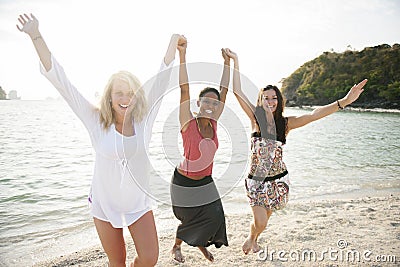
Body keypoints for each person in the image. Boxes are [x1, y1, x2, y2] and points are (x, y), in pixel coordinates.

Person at [17, 13, 185, 267]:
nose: (125, 98)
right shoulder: (96, 120)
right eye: (119, 93)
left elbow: (161, 80)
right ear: (110, 96)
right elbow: (62, 82)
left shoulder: (144, 120)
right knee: (116, 262)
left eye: (130, 93)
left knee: (149, 258)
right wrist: (35, 35)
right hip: (104, 203)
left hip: (137, 203)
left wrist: (173, 43)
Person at [225, 49, 368, 255]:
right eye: (266, 98)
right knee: (261, 220)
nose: (270, 102)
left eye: (274, 98)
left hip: (278, 181)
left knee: (263, 223)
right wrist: (235, 61)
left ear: (279, 100)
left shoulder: (286, 124)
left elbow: (312, 115)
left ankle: (253, 238)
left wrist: (343, 102)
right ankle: (251, 237)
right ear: (260, 100)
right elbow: (237, 91)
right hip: (256, 181)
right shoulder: (255, 120)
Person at [169, 38, 230, 263]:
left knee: (215, 218)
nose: (211, 105)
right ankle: (176, 247)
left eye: (215, 103)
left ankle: (200, 246)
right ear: (198, 103)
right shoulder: (188, 122)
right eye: (206, 101)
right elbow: (183, 88)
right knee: (190, 219)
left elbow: (225, 90)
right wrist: (182, 55)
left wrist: (227, 63)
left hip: (205, 181)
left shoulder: (214, 123)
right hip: (184, 182)